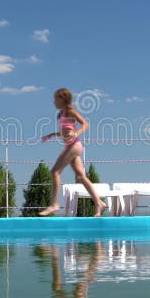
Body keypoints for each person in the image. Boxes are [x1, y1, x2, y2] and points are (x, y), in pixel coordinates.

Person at [39, 88, 107, 217]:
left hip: (73, 145)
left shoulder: (70, 111)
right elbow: (65, 132)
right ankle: (99, 203)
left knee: (55, 172)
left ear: (63, 99)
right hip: (71, 145)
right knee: (81, 176)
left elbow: (85, 124)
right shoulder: (63, 114)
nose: (54, 101)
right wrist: (53, 134)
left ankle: (54, 204)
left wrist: (77, 132)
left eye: (56, 99)